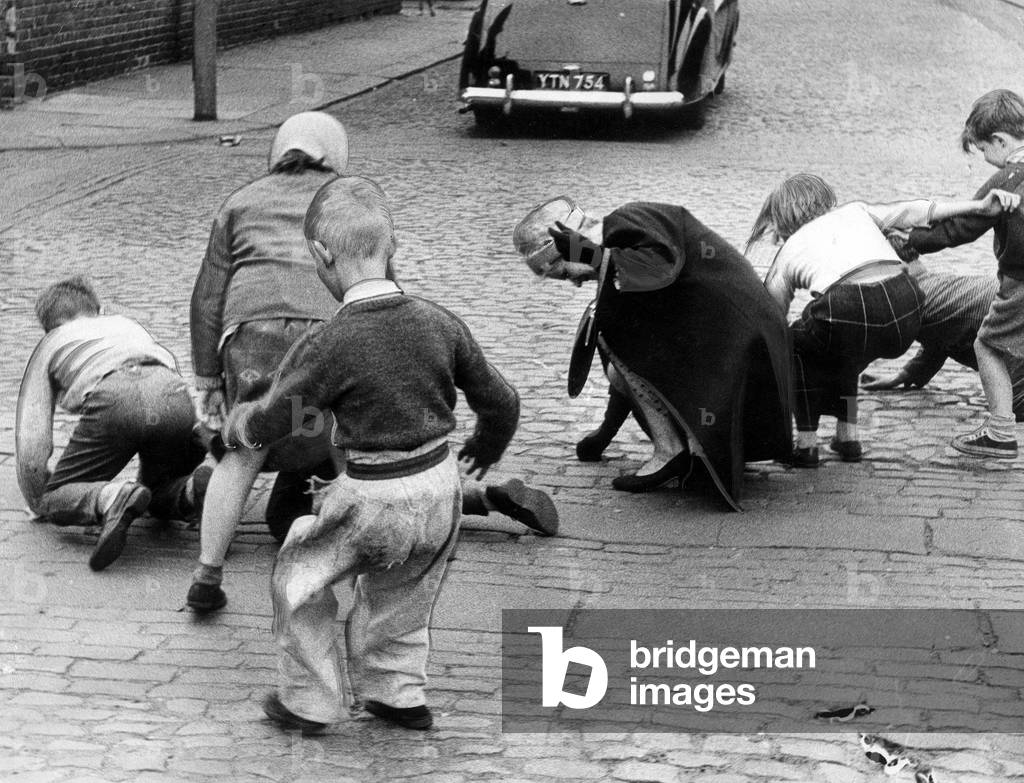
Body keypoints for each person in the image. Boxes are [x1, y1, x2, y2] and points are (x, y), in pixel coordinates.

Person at [187, 112, 557, 614]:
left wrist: (209, 378)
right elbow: (381, 285)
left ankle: (207, 573)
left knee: (245, 456)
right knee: (354, 449)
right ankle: (376, 563)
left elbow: (208, 297)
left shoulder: (239, 202)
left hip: (253, 336)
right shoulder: (350, 201)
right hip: (333, 332)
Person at [221, 176, 520, 732]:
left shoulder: (330, 342)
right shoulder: (439, 322)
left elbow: (280, 416)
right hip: (438, 489)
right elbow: (501, 401)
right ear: (394, 247)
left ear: (320, 256)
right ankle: (397, 693)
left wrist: (243, 427)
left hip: (372, 494)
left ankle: (308, 701)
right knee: (404, 593)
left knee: (300, 576)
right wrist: (486, 444)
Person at [514, 197, 793, 510]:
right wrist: (603, 435)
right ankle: (684, 446)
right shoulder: (620, 240)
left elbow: (659, 268)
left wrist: (588, 255)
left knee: (616, 328)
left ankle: (671, 450)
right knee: (617, 328)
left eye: (566, 273)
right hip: (741, 338)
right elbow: (631, 362)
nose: (576, 283)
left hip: (743, 340)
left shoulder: (627, 219)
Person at [747, 174, 1019, 467]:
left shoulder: (788, 250)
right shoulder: (856, 211)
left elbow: (771, 316)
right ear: (825, 199)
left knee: (798, 348)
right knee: (845, 356)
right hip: (907, 303)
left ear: (780, 217)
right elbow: (915, 210)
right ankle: (847, 439)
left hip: (847, 307)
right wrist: (979, 205)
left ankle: (806, 445)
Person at [16, 277, 209, 571]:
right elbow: (172, 366)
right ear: (100, 310)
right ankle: (192, 490)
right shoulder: (127, 324)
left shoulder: (51, 343)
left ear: (48, 328)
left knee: (52, 498)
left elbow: (32, 439)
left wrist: (36, 496)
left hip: (114, 400)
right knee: (156, 490)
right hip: (172, 392)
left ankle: (111, 498)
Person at [905, 89, 1024, 459]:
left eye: (984, 151)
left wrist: (910, 241)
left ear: (1000, 141)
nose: (987, 161)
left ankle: (1001, 431)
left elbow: (961, 227)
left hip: (1020, 280)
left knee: (987, 345)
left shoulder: (1011, 175)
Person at [860, 261, 1024, 421]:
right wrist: (905, 374)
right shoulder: (930, 287)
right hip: (1009, 300)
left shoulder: (909, 301)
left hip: (1009, 315)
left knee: (1012, 405)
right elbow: (940, 340)